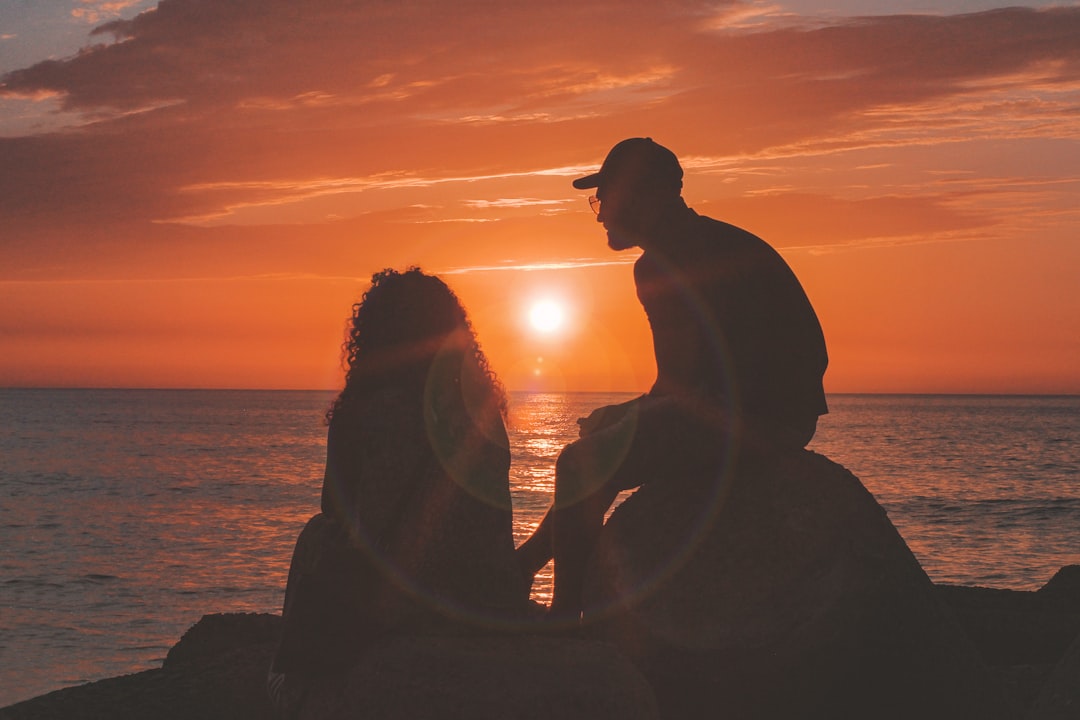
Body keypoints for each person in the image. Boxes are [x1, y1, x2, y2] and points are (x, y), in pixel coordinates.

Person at [517, 137, 829, 618]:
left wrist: (623, 416)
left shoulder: (663, 263)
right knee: (602, 444)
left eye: (608, 198)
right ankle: (523, 570)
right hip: (780, 414)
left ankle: (561, 614)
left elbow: (679, 390)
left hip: (753, 420)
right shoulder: (714, 242)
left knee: (581, 462)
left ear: (648, 196)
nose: (600, 214)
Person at [268, 268, 531, 719]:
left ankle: (293, 685)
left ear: (372, 338)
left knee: (315, 535)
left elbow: (336, 509)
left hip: (402, 605)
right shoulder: (484, 415)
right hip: (487, 600)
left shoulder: (365, 412)